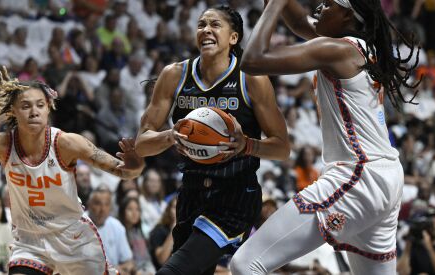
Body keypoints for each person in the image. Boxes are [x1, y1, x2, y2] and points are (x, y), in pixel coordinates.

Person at [230, 0, 420, 274]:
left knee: (245, 263)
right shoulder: (360, 47)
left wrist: (273, 6)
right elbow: (297, 22)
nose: (319, 7)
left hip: (357, 176)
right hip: (385, 176)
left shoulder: (336, 49)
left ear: (347, 15)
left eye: (328, 4)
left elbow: (253, 61)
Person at [134, 5, 290, 275]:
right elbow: (142, 143)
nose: (205, 29)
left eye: (215, 25)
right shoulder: (174, 75)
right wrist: (169, 136)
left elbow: (282, 147)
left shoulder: (250, 78)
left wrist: (248, 145)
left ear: (234, 38)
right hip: (191, 192)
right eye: (201, 24)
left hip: (236, 194)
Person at [0, 67, 144, 275]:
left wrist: (135, 166)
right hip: (30, 241)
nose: (34, 111)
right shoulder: (1, 143)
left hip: (73, 239)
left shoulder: (67, 143)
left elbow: (125, 172)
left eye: (40, 105)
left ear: (49, 107)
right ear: (12, 110)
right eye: (25, 106)